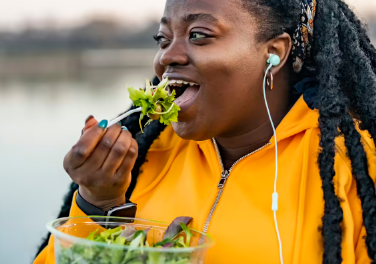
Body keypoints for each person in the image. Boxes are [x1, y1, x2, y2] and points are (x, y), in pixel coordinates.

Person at [34, 0, 376, 263]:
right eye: (163, 38)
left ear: (274, 53)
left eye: (198, 35)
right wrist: (99, 203)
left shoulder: (353, 169)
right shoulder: (143, 157)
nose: (168, 56)